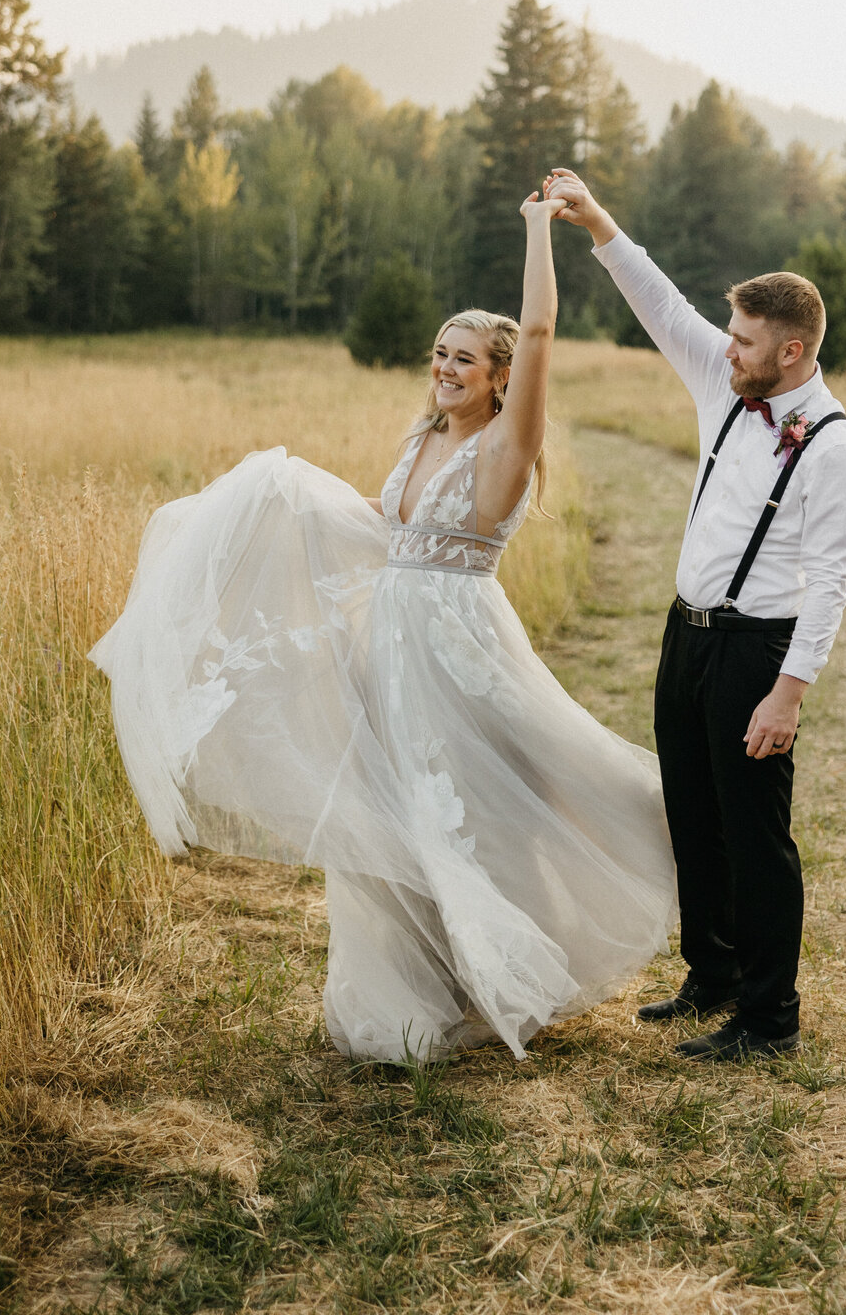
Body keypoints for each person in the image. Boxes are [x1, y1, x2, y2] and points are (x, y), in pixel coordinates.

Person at [89, 191, 676, 1064]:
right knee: (398, 812)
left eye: (466, 359)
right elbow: (386, 528)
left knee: (486, 806)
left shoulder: (505, 448)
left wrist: (535, 231)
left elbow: (542, 333)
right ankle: (421, 984)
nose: (446, 369)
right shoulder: (426, 435)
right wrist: (285, 499)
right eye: (440, 354)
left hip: (458, 647)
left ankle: (549, 940)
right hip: (391, 651)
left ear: (501, 377)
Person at [543, 168, 846, 1062]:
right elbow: (657, 299)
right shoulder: (722, 386)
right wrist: (598, 218)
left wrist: (789, 692)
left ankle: (771, 1019)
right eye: (729, 335)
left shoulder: (838, 451)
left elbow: (833, 578)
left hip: (757, 653)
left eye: (746, 341)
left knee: (754, 837)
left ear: (794, 352)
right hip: (683, 636)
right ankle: (713, 973)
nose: (727, 349)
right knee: (692, 814)